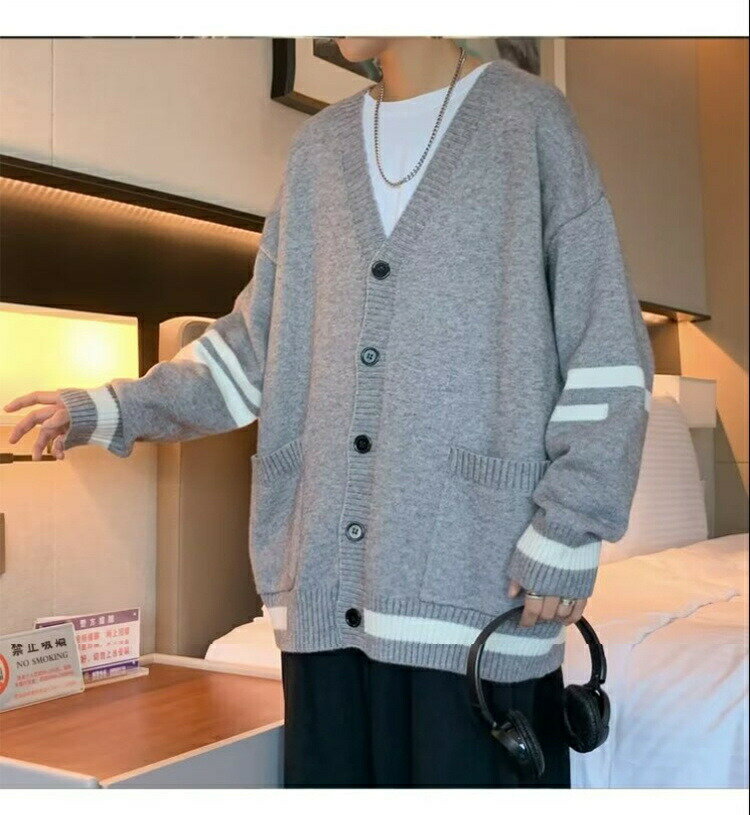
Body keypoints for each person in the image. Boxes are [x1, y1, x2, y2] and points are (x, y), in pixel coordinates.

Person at [5, 37, 654, 788]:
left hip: (479, 589)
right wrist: (111, 407)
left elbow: (608, 348)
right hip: (322, 597)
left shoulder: (529, 122)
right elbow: (255, 348)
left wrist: (571, 525)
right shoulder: (319, 150)